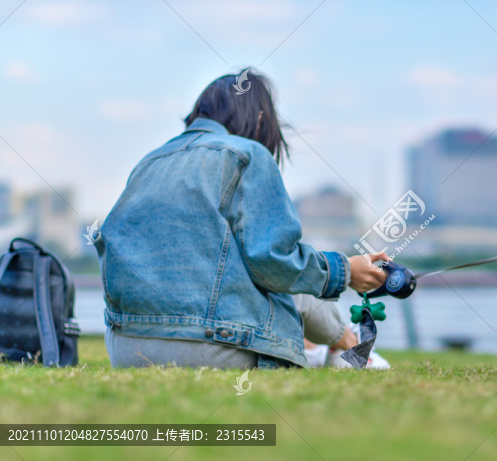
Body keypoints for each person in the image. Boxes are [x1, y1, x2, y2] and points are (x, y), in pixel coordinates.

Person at [96, 69, 388, 369]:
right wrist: (344, 271)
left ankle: (334, 348)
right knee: (289, 281)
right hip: (210, 349)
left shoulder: (148, 162)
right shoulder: (247, 154)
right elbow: (276, 261)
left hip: (125, 349)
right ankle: (352, 350)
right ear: (260, 119)